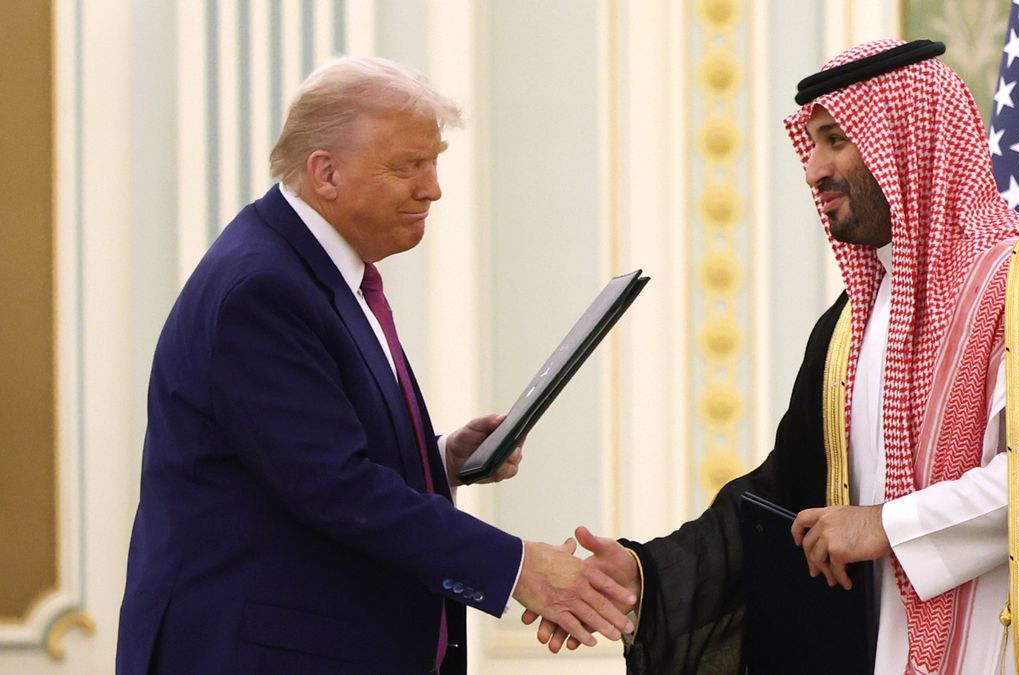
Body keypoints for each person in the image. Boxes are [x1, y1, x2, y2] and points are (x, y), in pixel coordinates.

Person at [525, 39, 1019, 674]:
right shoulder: (850, 324)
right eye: (812, 144)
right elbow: (784, 497)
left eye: (836, 139)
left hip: (1012, 646)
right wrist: (642, 575)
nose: (813, 170)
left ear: (906, 142)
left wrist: (887, 526)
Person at [115, 56, 634, 675]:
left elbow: (304, 455)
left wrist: (438, 458)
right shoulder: (262, 287)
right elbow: (335, 487)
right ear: (326, 173)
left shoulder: (314, 268)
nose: (433, 188)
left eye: (434, 162)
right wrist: (517, 567)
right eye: (409, 166)